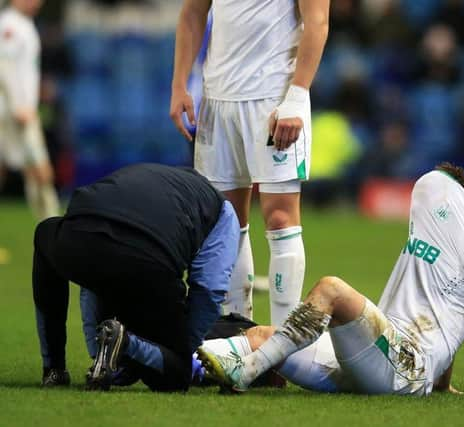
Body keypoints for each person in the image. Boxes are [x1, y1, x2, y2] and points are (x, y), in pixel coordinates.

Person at [196, 163, 464, 404]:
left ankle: (246, 373)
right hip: (376, 361)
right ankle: (173, 360)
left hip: (405, 368)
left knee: (332, 288)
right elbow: (444, 314)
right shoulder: (425, 245)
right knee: (264, 334)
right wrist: (444, 383)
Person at [170, 0, 330, 325]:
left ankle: (284, 344)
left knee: (281, 218)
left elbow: (318, 21)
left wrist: (297, 99)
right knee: (226, 224)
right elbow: (192, 12)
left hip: (273, 97)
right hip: (217, 99)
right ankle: (239, 336)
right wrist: (179, 84)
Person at [32, 163, 239, 391]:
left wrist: (95, 348)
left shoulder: (146, 174)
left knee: (45, 234)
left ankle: (54, 368)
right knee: (175, 375)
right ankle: (124, 345)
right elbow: (209, 290)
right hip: (148, 260)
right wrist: (179, 350)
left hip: (80, 238)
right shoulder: (223, 211)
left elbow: (90, 282)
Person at [0, 0, 59, 220]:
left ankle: (48, 225)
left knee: (35, 172)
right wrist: (20, 106)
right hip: (14, 113)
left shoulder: (24, 24)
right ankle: (51, 226)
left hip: (19, 110)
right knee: (41, 171)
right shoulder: (9, 25)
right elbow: (4, 68)